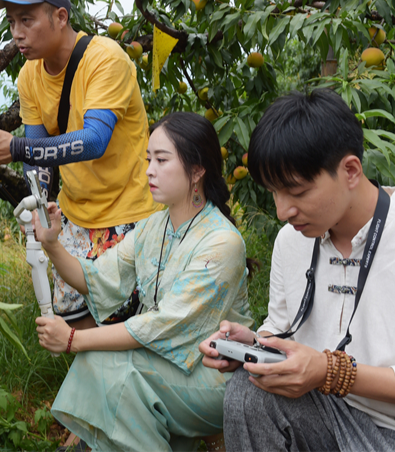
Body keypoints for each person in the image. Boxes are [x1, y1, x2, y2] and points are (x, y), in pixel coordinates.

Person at [199, 89, 395, 452]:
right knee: (249, 390)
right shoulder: (291, 241)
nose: (282, 211)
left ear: (350, 170)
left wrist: (331, 371)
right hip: (329, 415)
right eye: (274, 192)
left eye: (297, 192)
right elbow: (285, 329)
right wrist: (255, 345)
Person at [32, 112, 253, 451]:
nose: (149, 170)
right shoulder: (153, 227)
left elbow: (161, 325)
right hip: (163, 363)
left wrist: (75, 338)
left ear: (196, 170)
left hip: (216, 375)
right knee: (110, 368)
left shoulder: (222, 242)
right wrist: (51, 243)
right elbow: (93, 279)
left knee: (114, 371)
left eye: (162, 160)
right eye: (149, 159)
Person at [0, 0, 159, 329]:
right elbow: (37, 160)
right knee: (75, 329)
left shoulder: (105, 60)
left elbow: (94, 140)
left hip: (128, 214)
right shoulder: (29, 76)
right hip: (74, 219)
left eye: (28, 20)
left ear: (61, 17)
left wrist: (16, 147)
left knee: (125, 331)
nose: (17, 32)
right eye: (13, 22)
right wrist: (39, 204)